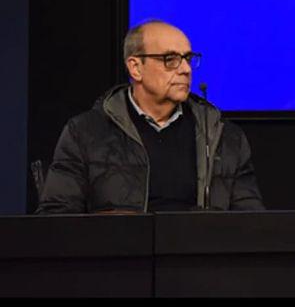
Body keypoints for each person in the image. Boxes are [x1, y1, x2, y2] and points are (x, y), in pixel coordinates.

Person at [38, 20, 264, 213]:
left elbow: (250, 224)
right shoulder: (85, 132)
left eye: (188, 58)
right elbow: (58, 218)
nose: (186, 69)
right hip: (120, 258)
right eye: (170, 59)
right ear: (135, 68)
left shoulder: (224, 138)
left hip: (198, 259)